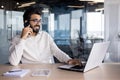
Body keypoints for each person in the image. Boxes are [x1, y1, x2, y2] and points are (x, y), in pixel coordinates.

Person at [9, 5, 81, 66]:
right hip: (29, 72)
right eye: (35, 20)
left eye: (40, 20)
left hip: (49, 71)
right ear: (26, 22)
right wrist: (23, 39)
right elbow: (14, 62)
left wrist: (69, 60)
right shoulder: (17, 39)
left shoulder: (45, 36)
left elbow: (57, 51)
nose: (38, 23)